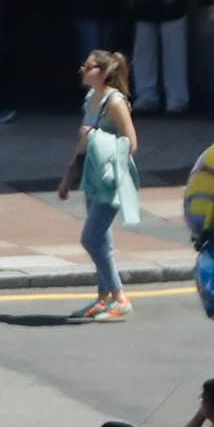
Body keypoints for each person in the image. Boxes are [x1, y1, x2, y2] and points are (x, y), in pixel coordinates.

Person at [70, 47, 143, 319]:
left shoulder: (115, 103)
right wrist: (70, 173)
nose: (83, 70)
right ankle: (103, 298)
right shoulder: (91, 97)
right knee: (102, 238)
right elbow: (83, 140)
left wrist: (95, 137)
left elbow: (132, 144)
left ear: (103, 73)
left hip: (112, 178)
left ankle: (119, 296)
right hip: (93, 176)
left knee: (90, 238)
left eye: (89, 67)